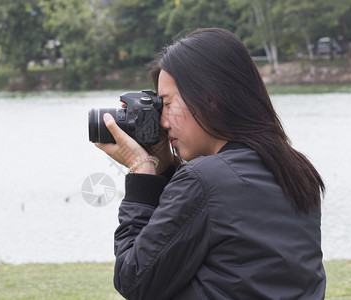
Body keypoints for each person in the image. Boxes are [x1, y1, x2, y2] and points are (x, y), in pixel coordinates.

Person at [95, 28, 326, 300]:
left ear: (209, 99)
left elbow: (134, 281)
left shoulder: (204, 180)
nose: (163, 122)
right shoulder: (295, 168)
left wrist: (142, 171)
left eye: (167, 104)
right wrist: (168, 170)